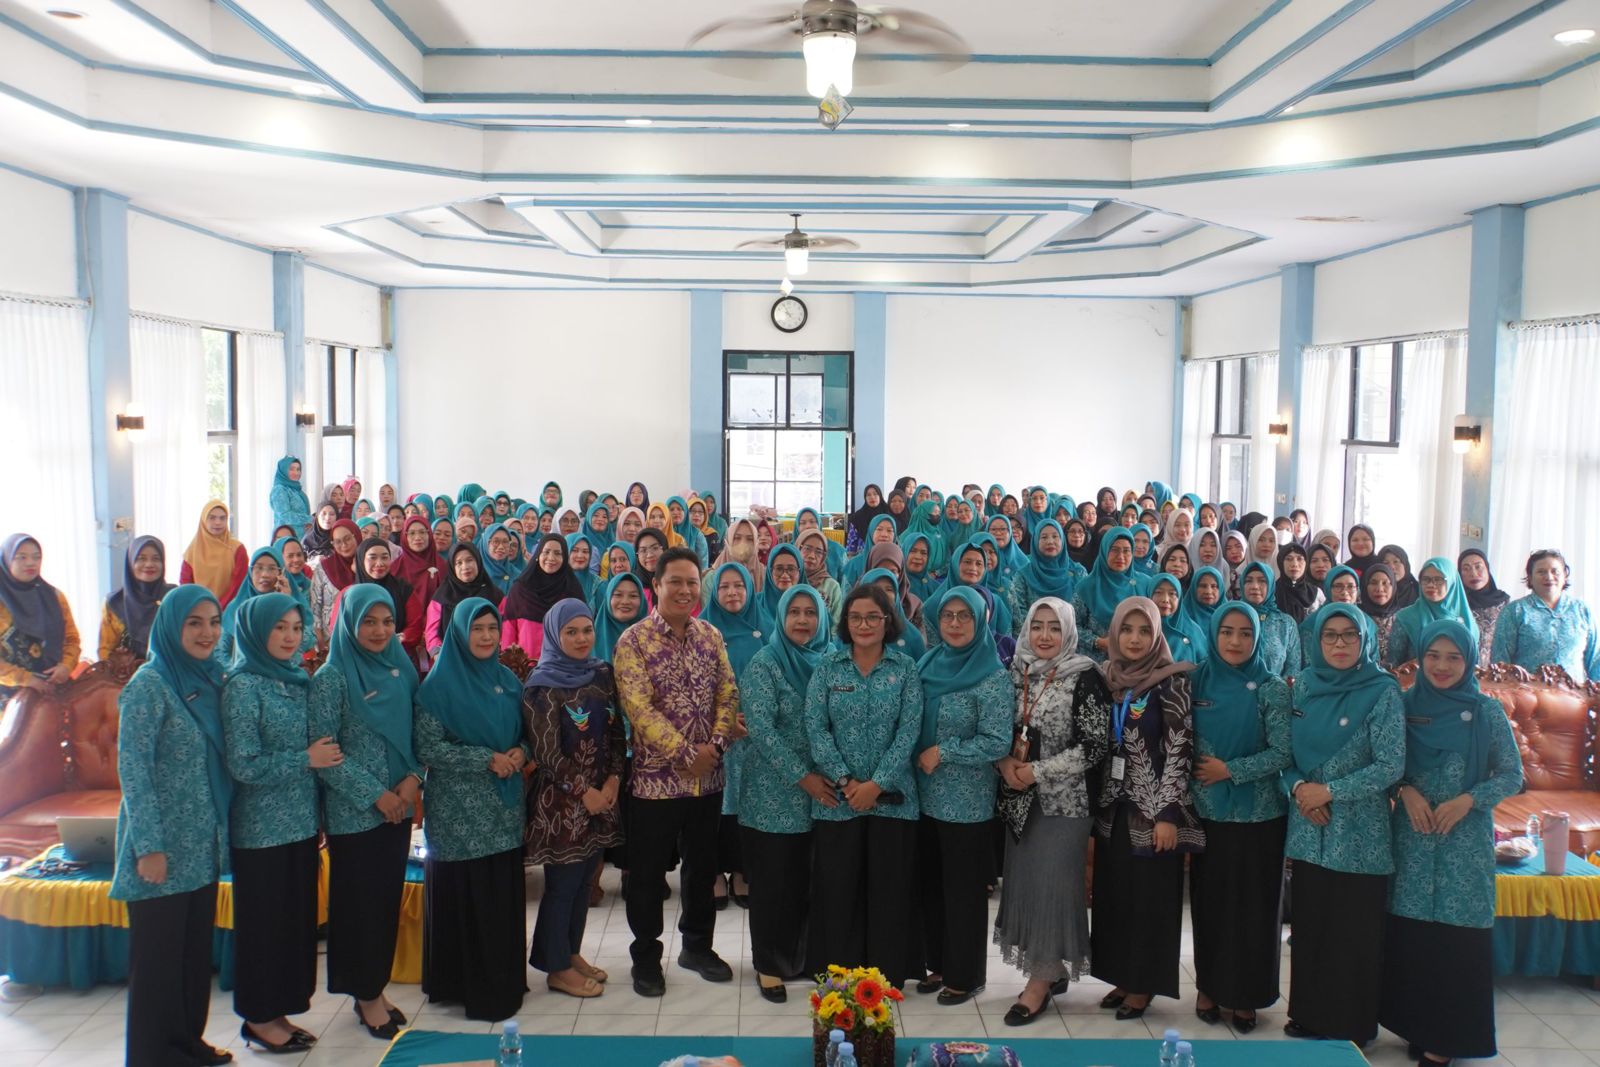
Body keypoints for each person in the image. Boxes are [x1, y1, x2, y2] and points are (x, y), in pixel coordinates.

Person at [1379, 619, 1522, 1064]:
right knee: (1414, 936)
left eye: (1454, 657)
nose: (1442, 666)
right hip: (1413, 838)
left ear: (1469, 660)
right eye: (1433, 656)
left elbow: (1512, 774)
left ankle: (1447, 1039)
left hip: (1465, 841)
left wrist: (1469, 800)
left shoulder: (1485, 711)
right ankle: (1418, 1026)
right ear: (1420, 658)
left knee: (1457, 940)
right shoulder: (1402, 706)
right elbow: (1384, 765)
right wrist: (1404, 790)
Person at [111, 585, 233, 1067]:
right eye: (194, 623)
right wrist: (149, 847)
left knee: (190, 957)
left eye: (214, 622)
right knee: (157, 963)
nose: (207, 633)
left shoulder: (210, 678)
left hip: (200, 844)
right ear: (170, 627)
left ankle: (187, 1044)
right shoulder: (149, 685)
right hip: (160, 846)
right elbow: (133, 770)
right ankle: (151, 1056)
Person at [611, 546, 740, 996]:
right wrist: (687, 754)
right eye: (676, 582)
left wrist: (716, 746)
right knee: (647, 875)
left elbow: (728, 692)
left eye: (692, 582)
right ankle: (646, 957)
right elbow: (639, 709)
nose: (685, 590)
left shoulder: (710, 635)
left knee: (702, 868)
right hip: (655, 783)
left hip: (709, 780)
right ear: (656, 586)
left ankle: (697, 947)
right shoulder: (633, 641)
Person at [1281, 603, 1405, 1044]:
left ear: (1364, 640)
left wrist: (1329, 791)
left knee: (1354, 931)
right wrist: (1299, 789)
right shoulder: (1303, 686)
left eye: (1349, 635)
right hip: (1309, 825)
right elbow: (1284, 755)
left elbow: (1391, 764)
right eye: (1330, 635)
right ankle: (1309, 1014)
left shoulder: (1383, 690)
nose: (1339, 643)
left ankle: (1352, 1023)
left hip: (1359, 832)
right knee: (1311, 926)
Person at [222, 593, 339, 1053]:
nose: (290, 637)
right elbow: (244, 764)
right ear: (256, 631)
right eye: (279, 628)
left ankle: (278, 1012)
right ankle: (258, 1018)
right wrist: (304, 759)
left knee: (293, 924)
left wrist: (318, 809)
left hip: (301, 823)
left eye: (295, 627)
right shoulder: (242, 685)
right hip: (260, 830)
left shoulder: (296, 679)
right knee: (264, 927)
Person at [310, 586, 421, 1040]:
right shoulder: (332, 677)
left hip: (398, 806)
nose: (379, 631)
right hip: (356, 813)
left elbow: (418, 732)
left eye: (387, 621)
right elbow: (324, 750)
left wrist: (413, 779)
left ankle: (373, 987)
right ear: (349, 624)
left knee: (384, 903)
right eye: (368, 622)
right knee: (359, 906)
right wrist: (376, 795)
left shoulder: (401, 668)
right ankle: (366, 994)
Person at [992, 598, 1110, 1026]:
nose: (1044, 635)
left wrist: (1036, 772)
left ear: (1069, 632)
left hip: (1066, 803)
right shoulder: (1016, 671)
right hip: (1022, 800)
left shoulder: (1085, 675)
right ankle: (1050, 968)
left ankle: (1038, 984)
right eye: (1037, 626)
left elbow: (1094, 746)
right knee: (1027, 885)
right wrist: (1004, 763)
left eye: (1054, 628)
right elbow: (998, 730)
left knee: (1053, 888)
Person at [414, 596, 529, 1020]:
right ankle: (462, 984)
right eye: (476, 628)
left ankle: (503, 978)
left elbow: (527, 731)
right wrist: (485, 758)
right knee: (467, 893)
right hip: (457, 812)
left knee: (499, 892)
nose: (485, 636)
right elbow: (428, 748)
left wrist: (520, 752)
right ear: (459, 634)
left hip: (504, 806)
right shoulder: (437, 688)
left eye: (492, 628)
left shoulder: (507, 680)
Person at [805, 584, 924, 987]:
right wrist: (847, 781)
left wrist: (876, 784)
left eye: (873, 616)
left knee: (889, 889)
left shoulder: (905, 668)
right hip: (837, 801)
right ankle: (841, 975)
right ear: (845, 622)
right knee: (839, 889)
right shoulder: (828, 667)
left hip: (894, 800)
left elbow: (909, 731)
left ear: (888, 621)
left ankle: (886, 975)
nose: (864, 624)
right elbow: (816, 729)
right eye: (856, 617)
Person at [1092, 597, 1203, 1020]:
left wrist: (1168, 814)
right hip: (1114, 809)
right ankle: (1123, 976)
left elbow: (1180, 747)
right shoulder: (1108, 678)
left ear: (1157, 636)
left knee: (1150, 901)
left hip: (1153, 813)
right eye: (1126, 630)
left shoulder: (1171, 682)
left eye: (1144, 631)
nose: (1135, 639)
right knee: (1117, 896)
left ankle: (1143, 985)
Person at [1188, 603, 1292, 1034]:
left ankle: (1247, 995)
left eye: (1245, 633)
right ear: (1214, 634)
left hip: (1261, 816)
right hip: (1209, 813)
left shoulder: (1271, 687)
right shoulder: (1195, 681)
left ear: (1257, 639)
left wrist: (1230, 770)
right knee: (1210, 905)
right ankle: (1209, 987)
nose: (1235, 641)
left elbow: (1283, 752)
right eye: (1227, 632)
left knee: (1255, 909)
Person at [730, 584, 834, 1001]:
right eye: (795, 612)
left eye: (811, 612)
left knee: (810, 880)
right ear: (781, 616)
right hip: (772, 794)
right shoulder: (766, 663)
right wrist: (803, 777)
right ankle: (770, 964)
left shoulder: (831, 660)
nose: (803, 620)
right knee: (774, 882)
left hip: (824, 795)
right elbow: (761, 730)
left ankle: (805, 957)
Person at [911, 586, 1012, 1005]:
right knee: (931, 886)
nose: (954, 624)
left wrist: (944, 752)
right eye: (948, 616)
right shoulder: (927, 663)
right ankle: (938, 963)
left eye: (964, 616)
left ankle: (966, 975)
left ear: (979, 620)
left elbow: (998, 741)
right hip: (922, 797)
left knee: (963, 891)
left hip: (967, 802)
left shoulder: (992, 675)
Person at [523, 598, 626, 998]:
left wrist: (613, 779)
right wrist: (585, 792)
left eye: (586, 630)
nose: (582, 639)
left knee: (585, 881)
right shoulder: (542, 684)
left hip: (601, 796)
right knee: (563, 884)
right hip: (563, 804)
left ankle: (570, 951)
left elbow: (616, 731)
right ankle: (555, 967)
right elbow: (546, 752)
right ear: (554, 635)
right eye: (571, 632)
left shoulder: (601, 673)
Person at [1491, 549, 1600, 682]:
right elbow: (1500, 661)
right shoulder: (1514, 611)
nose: (1549, 577)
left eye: (1555, 571)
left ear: (1565, 575)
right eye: (1541, 572)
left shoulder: (1582, 610)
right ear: (1530, 577)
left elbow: (1596, 660)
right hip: (1527, 692)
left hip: (1575, 693)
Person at [0, 533, 80, 703]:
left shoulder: (54, 596)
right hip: (10, 698)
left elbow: (72, 639)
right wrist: (27, 679)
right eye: (21, 557)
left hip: (56, 688)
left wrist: (66, 666)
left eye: (36, 557)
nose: (31, 563)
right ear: (6, 560)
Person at [502, 533, 585, 660]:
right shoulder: (520, 589)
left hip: (563, 666)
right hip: (525, 666)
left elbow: (581, 631)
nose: (551, 558)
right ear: (538, 555)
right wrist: (510, 664)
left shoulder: (572, 590)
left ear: (564, 558)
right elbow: (509, 631)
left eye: (557, 553)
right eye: (546, 552)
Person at [1387, 557, 1478, 667]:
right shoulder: (1406, 618)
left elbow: (1474, 666)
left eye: (1438, 580)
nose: (1431, 585)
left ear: (1452, 581)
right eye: (1426, 579)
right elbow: (1392, 665)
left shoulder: (1467, 619)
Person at [1073, 527, 1144, 662]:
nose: (1120, 557)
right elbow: (1072, 626)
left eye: (1126, 551)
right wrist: (1097, 642)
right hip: (1094, 664)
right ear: (1104, 550)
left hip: (1135, 664)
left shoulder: (1144, 584)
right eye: (1114, 550)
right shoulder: (1087, 586)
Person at [100, 535, 175, 662]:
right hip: (128, 673)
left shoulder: (173, 597)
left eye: (156, 559)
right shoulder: (114, 603)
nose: (149, 564)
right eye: (141, 559)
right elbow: (105, 652)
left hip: (170, 670)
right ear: (130, 562)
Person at [1236, 562, 1303, 678]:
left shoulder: (1286, 623)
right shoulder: (1232, 618)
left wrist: (1276, 687)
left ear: (1271, 585)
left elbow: (1293, 667)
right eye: (1248, 581)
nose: (1255, 586)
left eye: (1262, 581)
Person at [181, 500, 248, 606]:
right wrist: (199, 609)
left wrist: (218, 609)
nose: (218, 522)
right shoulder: (192, 550)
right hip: (198, 609)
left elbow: (238, 585)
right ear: (204, 520)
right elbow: (185, 586)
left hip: (230, 609)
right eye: (212, 518)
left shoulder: (237, 549)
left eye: (222, 518)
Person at [308, 519, 362, 645]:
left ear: (357, 536)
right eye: (337, 542)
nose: (344, 545)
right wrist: (318, 635)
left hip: (361, 637)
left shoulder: (368, 565)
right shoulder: (324, 568)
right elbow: (315, 605)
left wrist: (359, 572)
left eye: (347, 538)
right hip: (331, 640)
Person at [1457, 548, 1509, 667]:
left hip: (1496, 671)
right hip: (1462, 668)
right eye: (1466, 569)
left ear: (1487, 570)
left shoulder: (1505, 603)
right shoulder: (1456, 603)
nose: (1473, 573)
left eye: (1478, 567)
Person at [1150, 573, 1206, 665]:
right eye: (1158, 592)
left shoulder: (1192, 629)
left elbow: (1204, 663)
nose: (1165, 599)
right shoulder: (1143, 627)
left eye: (1172, 594)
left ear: (1179, 599)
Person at [1359, 563, 1401, 665]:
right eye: (1373, 583)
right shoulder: (1358, 617)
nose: (1380, 589)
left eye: (1385, 583)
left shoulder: (1403, 618)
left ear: (1393, 586)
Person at [270, 457, 313, 538]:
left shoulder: (296, 490)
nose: (296, 473)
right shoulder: (280, 490)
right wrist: (310, 519)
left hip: (300, 537)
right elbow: (285, 515)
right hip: (286, 538)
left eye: (298, 469)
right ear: (283, 471)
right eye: (291, 469)